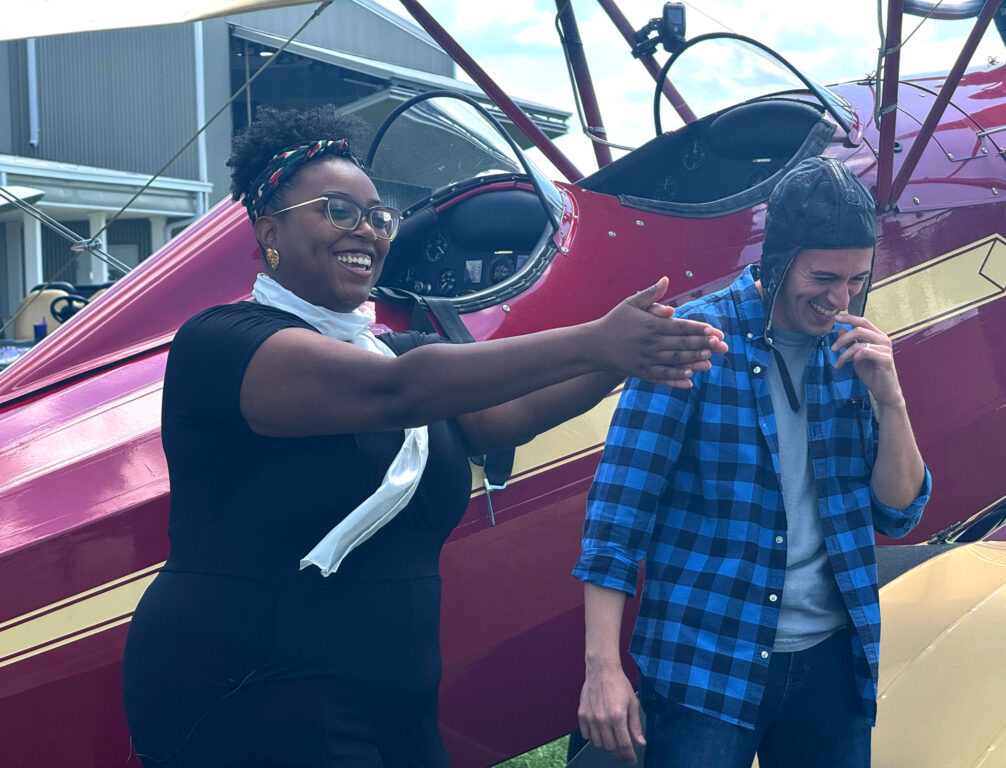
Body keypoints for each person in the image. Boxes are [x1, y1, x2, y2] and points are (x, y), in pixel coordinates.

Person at [120, 104, 727, 768]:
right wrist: (592, 338)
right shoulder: (223, 345)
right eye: (338, 211)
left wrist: (614, 360)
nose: (369, 232)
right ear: (270, 231)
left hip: (390, 700)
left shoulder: (390, 355)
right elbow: (399, 392)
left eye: (379, 216)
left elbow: (500, 417)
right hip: (248, 689)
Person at [573, 157, 931, 768]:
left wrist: (890, 400)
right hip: (707, 663)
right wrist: (602, 670)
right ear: (777, 258)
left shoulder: (853, 353)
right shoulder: (693, 342)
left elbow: (897, 514)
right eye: (823, 276)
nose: (839, 298)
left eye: (856, 280)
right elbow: (616, 518)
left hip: (832, 665)